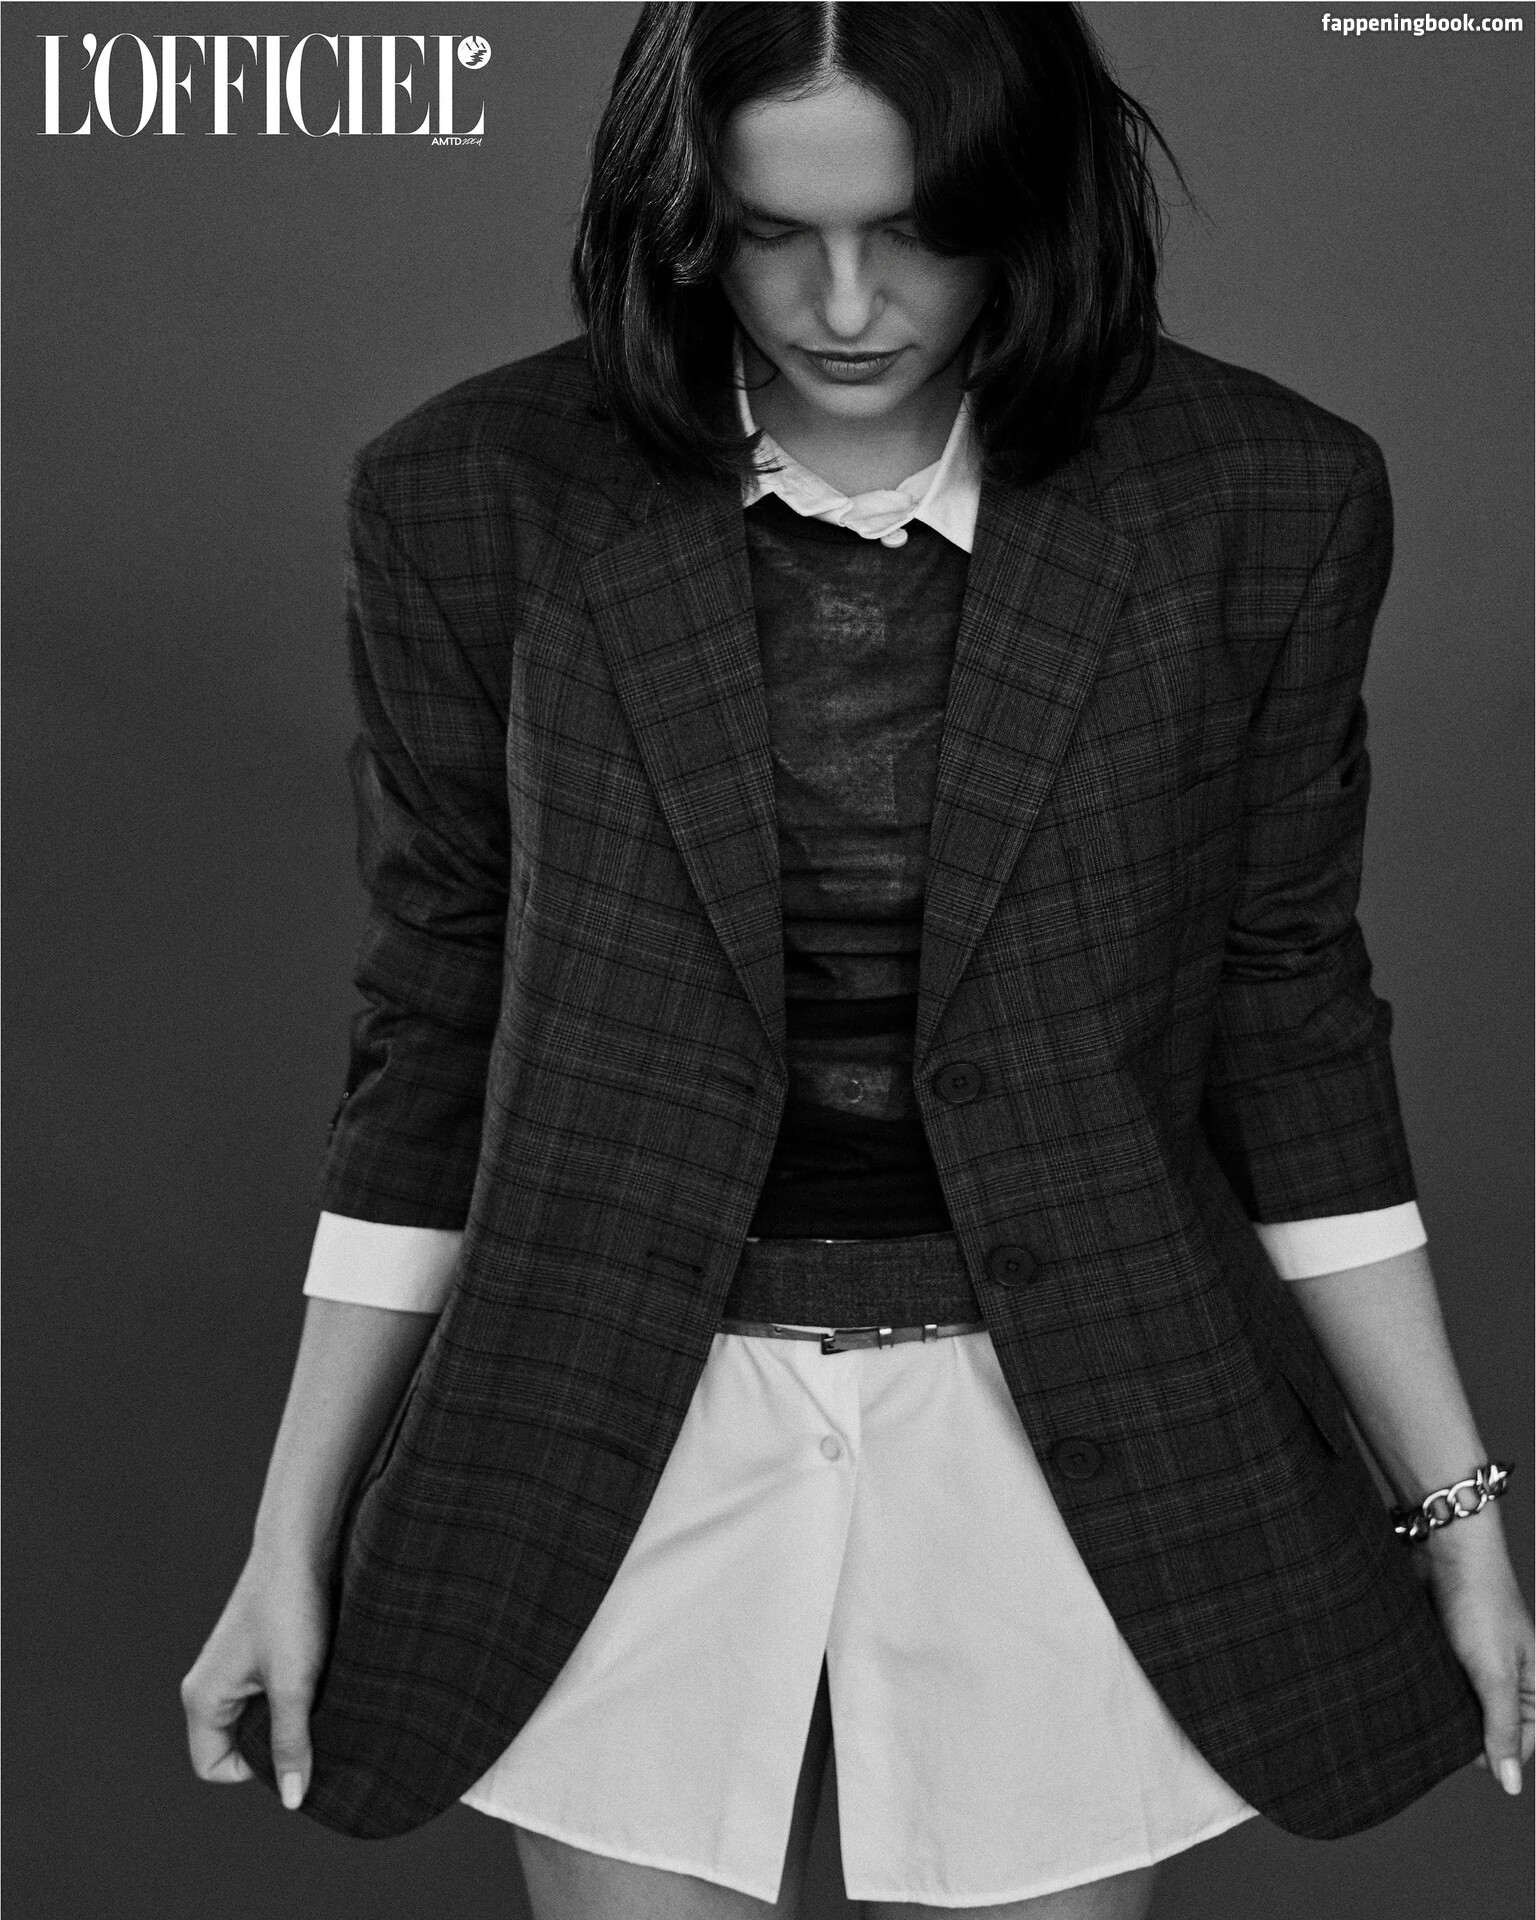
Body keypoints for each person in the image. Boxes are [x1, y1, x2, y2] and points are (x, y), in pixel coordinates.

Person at [180, 7, 1533, 1917]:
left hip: (1085, 1422)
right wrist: (291, 1528)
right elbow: (434, 1023)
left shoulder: (1262, 495)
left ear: (1030, 206)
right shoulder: (474, 493)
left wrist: (1454, 1504)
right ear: (679, 221)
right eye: (767, 232)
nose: (841, 303)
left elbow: (1290, 1017)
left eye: (915, 229)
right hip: (604, 1417)